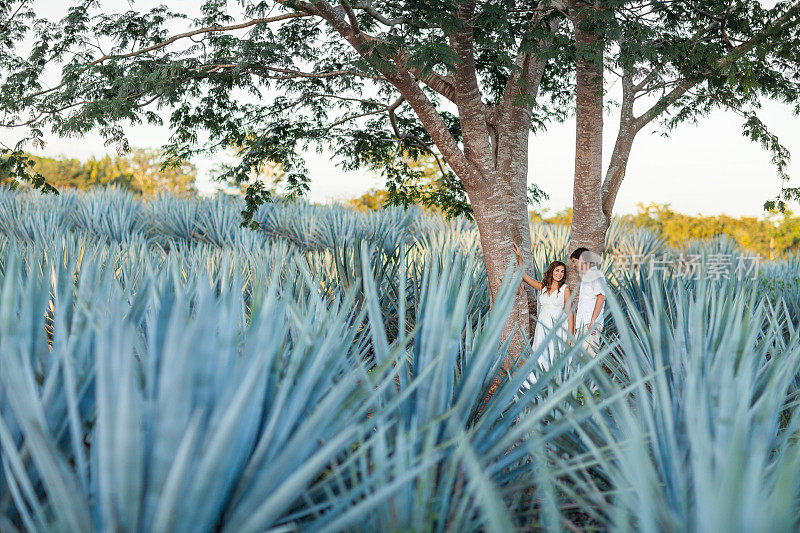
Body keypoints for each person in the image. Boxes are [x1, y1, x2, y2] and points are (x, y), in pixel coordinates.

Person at [512, 243, 574, 385]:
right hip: (542, 325)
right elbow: (523, 276)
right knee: (540, 352)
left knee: (554, 353)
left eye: (562, 272)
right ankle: (537, 383)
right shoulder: (542, 287)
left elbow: (570, 312)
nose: (559, 274)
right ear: (551, 271)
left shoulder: (565, 289)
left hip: (558, 326)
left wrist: (570, 334)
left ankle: (555, 383)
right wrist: (520, 257)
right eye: (557, 270)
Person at [569, 247, 606, 357]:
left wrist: (593, 320)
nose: (573, 265)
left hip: (590, 325)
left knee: (588, 359)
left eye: (574, 261)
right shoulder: (586, 277)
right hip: (583, 325)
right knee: (576, 359)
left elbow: (601, 297)